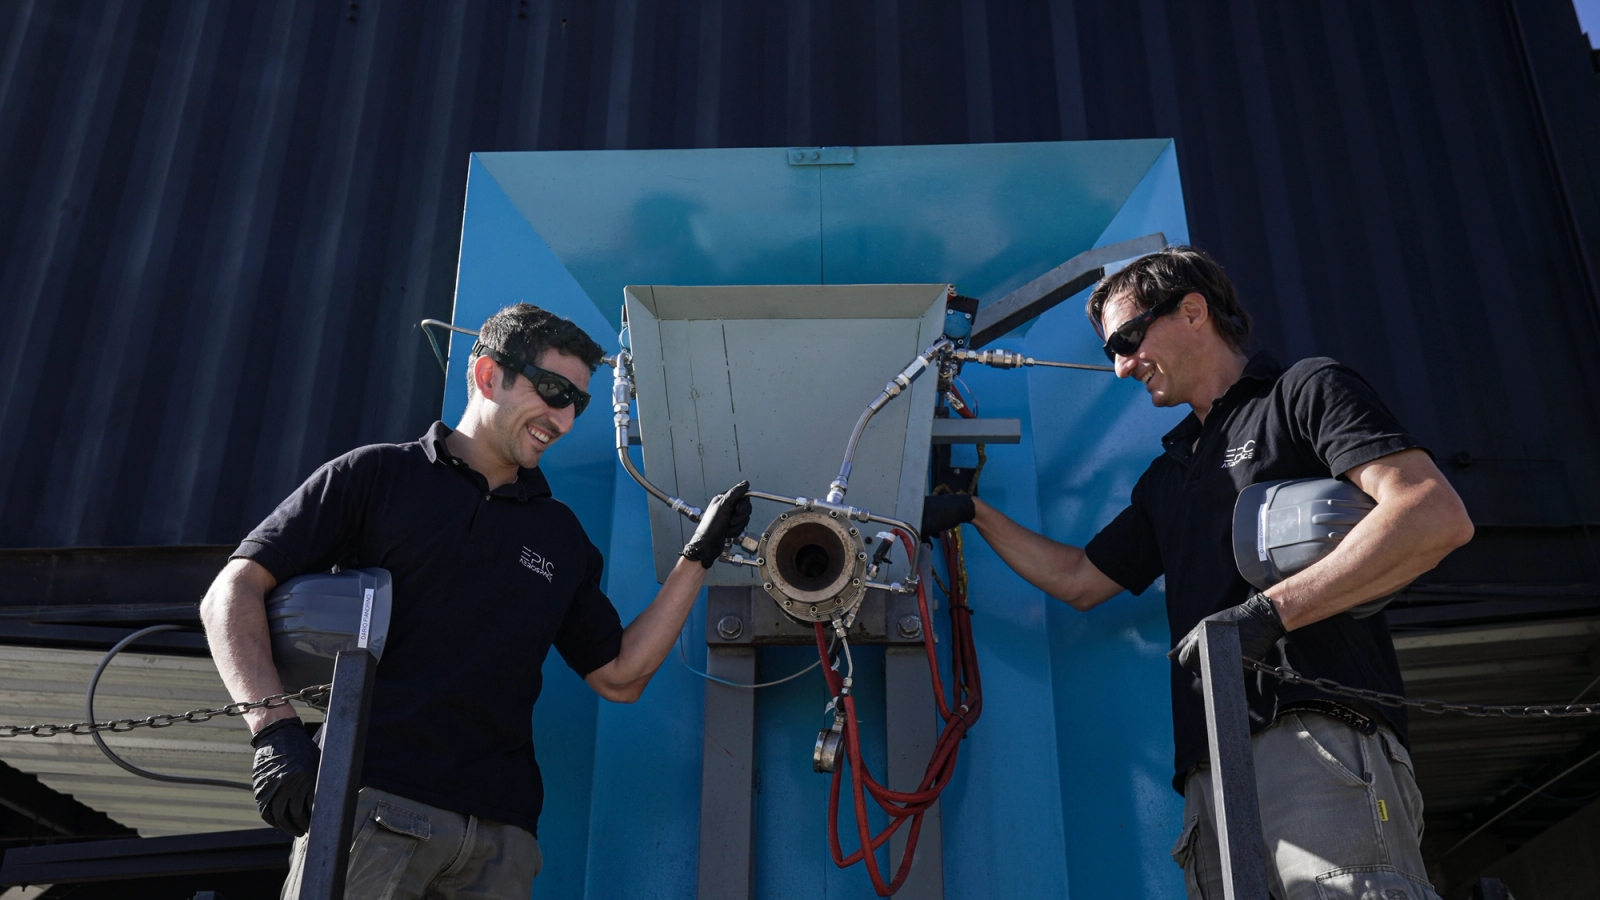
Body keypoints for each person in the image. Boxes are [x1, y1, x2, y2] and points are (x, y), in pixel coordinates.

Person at [922, 247, 1473, 900]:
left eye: (1128, 340)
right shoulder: (1170, 475)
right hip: (1210, 772)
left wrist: (1268, 614)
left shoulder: (1302, 395)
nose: (1123, 366)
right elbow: (1077, 579)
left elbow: (1432, 514)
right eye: (1111, 354)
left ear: (1192, 311)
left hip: (1316, 737)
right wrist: (973, 512)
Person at [199, 303, 751, 898]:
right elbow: (232, 590)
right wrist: (274, 731)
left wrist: (698, 557)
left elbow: (620, 675)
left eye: (577, 404)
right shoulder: (377, 477)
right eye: (551, 391)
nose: (562, 420)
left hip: (500, 842)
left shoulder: (558, 537)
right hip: (373, 808)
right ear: (489, 375)